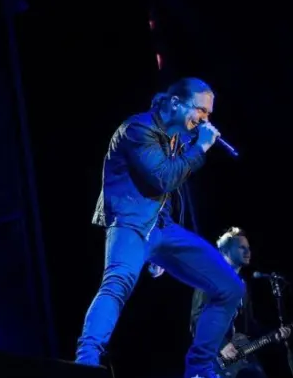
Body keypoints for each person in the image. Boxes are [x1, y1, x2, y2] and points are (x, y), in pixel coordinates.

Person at [75, 77, 246, 378]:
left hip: (163, 228)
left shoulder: (176, 135)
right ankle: (86, 362)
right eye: (202, 111)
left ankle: (200, 368)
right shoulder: (137, 130)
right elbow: (163, 178)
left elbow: (170, 192)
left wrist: (161, 253)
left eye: (208, 114)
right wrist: (201, 147)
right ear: (177, 103)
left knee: (230, 286)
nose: (205, 119)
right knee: (117, 285)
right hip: (130, 225)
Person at [190, 228, 291, 378]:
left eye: (248, 248)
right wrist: (221, 345)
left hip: (240, 359)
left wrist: (273, 334)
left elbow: (249, 325)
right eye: (241, 247)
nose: (248, 251)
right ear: (226, 250)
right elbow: (197, 319)